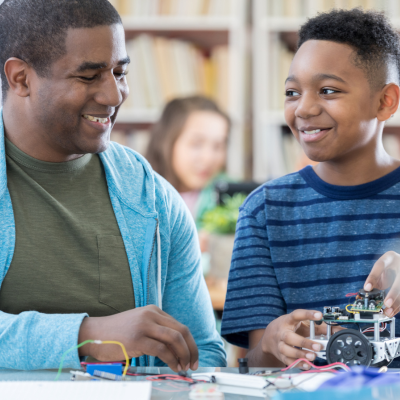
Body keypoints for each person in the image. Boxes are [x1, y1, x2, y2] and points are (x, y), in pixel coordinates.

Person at [0, 0, 226, 371]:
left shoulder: (155, 200)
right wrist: (89, 335)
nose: (114, 95)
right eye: (89, 77)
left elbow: (201, 353)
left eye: (119, 73)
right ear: (21, 78)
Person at [221, 8, 400, 368]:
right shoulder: (265, 210)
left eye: (328, 90)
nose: (304, 108)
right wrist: (273, 343)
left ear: (385, 102)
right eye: (291, 92)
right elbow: (257, 364)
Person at [146, 96, 230, 230]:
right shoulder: (139, 196)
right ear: (166, 143)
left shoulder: (233, 199)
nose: (208, 158)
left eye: (218, 146)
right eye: (196, 144)